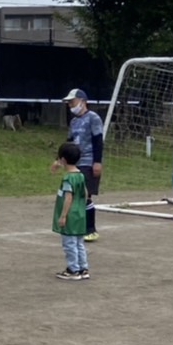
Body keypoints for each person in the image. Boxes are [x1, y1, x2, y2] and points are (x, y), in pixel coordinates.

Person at [63, 88, 104, 241]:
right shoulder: (73, 121)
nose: (70, 105)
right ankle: (78, 227)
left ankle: (91, 229)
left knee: (85, 195)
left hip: (88, 161)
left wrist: (97, 162)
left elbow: (98, 140)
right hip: (75, 164)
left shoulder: (93, 118)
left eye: (72, 101)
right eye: (68, 102)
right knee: (74, 196)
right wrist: (61, 159)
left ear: (82, 101)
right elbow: (69, 142)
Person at [52, 142, 89, 280]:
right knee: (79, 243)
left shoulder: (68, 178)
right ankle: (83, 268)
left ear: (63, 160)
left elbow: (68, 197)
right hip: (80, 214)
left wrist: (63, 215)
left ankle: (73, 269)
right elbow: (85, 193)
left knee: (69, 243)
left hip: (70, 215)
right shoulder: (80, 175)